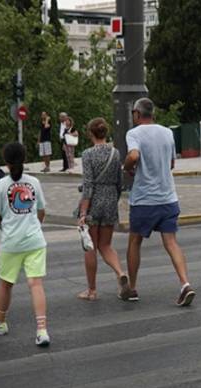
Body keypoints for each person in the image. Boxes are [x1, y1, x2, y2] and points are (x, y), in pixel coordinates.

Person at [123, 98, 195, 306]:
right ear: (152, 114)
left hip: (144, 199)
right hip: (168, 197)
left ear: (137, 114)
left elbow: (134, 156)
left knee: (134, 242)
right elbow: (171, 163)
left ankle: (133, 288)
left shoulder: (134, 133)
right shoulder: (167, 133)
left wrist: (126, 167)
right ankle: (185, 284)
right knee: (171, 242)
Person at [0, 142, 51, 347]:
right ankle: (42, 330)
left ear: (5, 161)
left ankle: (0, 322)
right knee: (36, 284)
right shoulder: (34, 182)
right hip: (35, 241)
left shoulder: (0, 186)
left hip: (11, 242)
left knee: (6, 283)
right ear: (25, 158)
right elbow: (41, 211)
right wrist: (35, 226)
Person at [76, 118, 129, 301]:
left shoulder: (87, 154)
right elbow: (119, 182)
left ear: (91, 134)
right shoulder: (115, 153)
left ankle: (91, 290)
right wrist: (113, 199)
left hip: (94, 202)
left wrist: (83, 212)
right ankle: (120, 272)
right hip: (110, 201)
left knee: (90, 247)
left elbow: (88, 184)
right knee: (106, 245)